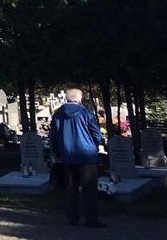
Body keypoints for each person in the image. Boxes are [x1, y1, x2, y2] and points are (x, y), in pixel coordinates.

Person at [49, 88, 106, 229]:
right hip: (87, 156)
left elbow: (54, 137)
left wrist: (58, 152)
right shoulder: (86, 113)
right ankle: (91, 219)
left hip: (68, 156)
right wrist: (95, 145)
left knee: (71, 188)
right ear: (79, 99)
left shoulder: (58, 115)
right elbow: (96, 134)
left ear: (67, 99)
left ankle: (73, 217)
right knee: (89, 189)